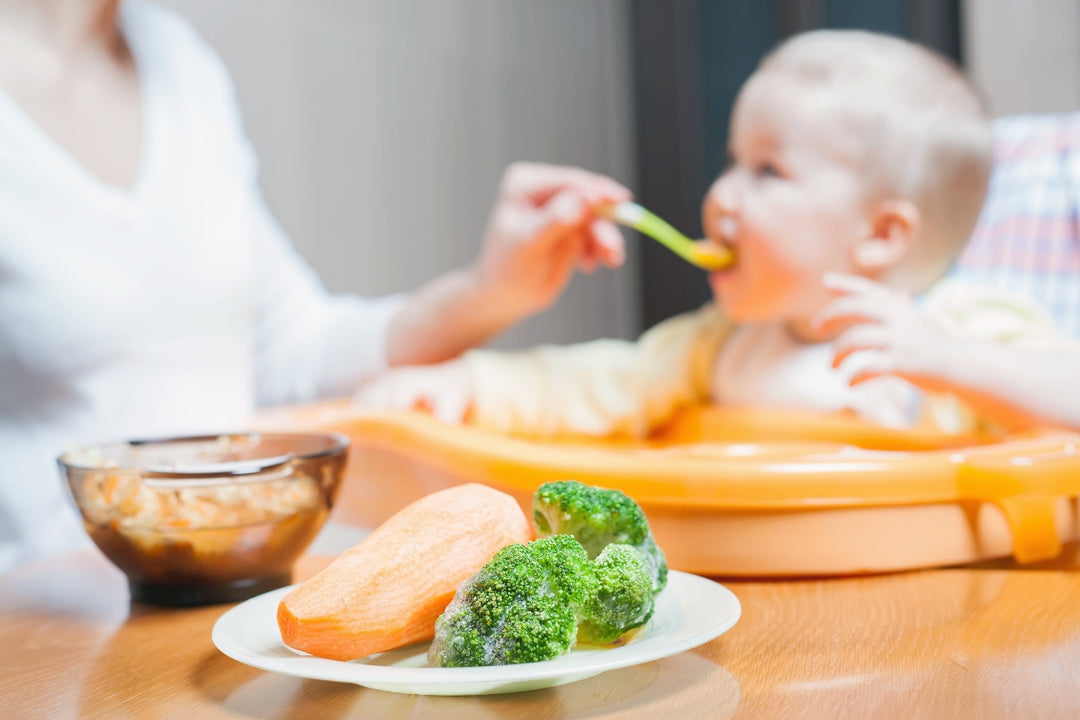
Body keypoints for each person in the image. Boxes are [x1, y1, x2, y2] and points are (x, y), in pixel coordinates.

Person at [0, 0, 631, 571]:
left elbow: (291, 349)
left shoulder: (178, 62)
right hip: (46, 642)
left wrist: (492, 290)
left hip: (224, 600)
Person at [355, 29, 1076, 441]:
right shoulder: (720, 346)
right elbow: (598, 383)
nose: (720, 195)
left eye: (768, 171)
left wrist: (951, 360)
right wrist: (467, 384)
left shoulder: (961, 328)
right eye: (731, 160)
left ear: (882, 235)